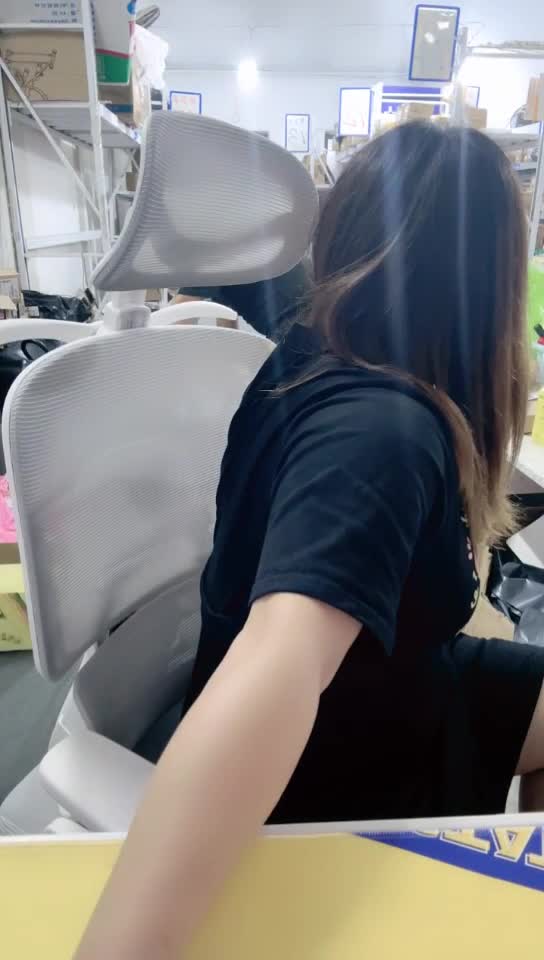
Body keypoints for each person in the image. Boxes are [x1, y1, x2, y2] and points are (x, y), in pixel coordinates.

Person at [75, 122, 544, 960]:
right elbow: (280, 661)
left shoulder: (318, 352)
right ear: (492, 282)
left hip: (398, 681)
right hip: (352, 753)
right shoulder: (382, 434)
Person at [173, 258, 311, 339]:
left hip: (298, 330)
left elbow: (179, 314)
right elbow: (227, 326)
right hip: (312, 321)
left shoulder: (211, 256)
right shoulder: (236, 250)